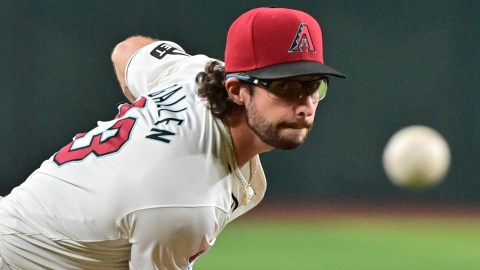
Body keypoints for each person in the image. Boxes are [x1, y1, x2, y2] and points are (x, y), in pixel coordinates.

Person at [0, 6, 345, 270]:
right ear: (236, 90)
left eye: (312, 84)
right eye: (284, 86)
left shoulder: (193, 74)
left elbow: (127, 50)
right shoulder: (186, 201)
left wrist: (149, 128)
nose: (305, 104)